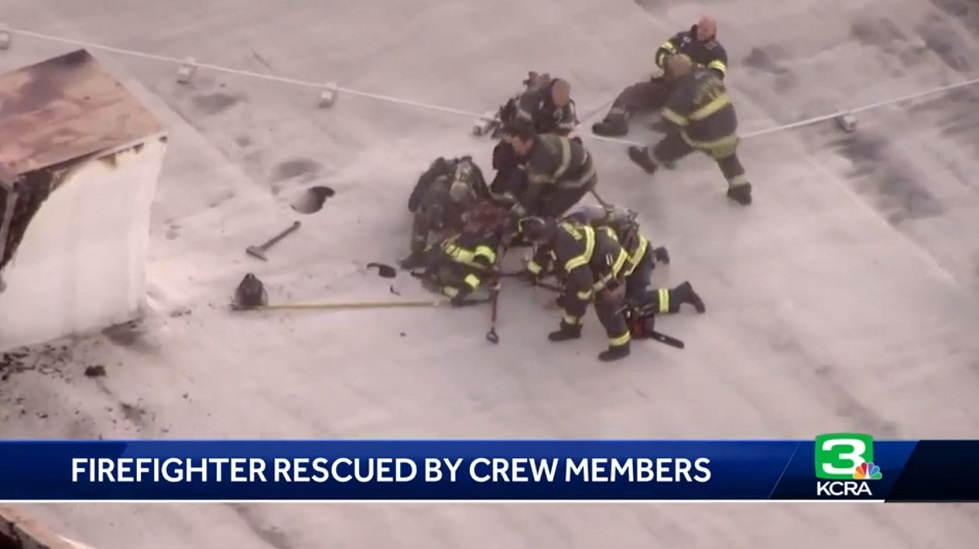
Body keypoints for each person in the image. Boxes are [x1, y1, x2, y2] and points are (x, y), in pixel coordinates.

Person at [626, 54, 753, 206]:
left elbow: (671, 123)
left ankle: (650, 159)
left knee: (677, 142)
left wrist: (656, 126)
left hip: (705, 134)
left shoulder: (684, 91)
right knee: (727, 156)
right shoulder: (709, 75)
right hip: (729, 126)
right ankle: (741, 189)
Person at [517, 216, 635, 362]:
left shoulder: (564, 247)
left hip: (607, 265)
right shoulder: (553, 232)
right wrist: (530, 273)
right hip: (590, 261)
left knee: (605, 308)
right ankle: (570, 330)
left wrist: (583, 296)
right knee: (572, 297)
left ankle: (621, 347)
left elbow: (585, 281)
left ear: (538, 238)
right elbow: (543, 253)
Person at [592, 16, 729, 137]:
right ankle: (616, 123)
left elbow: (717, 76)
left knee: (683, 118)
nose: (701, 32)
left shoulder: (717, 52)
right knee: (631, 93)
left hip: (690, 91)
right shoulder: (682, 37)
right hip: (667, 82)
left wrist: (690, 69)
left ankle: (667, 150)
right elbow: (661, 52)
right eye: (700, 27)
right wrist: (669, 62)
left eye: (705, 30)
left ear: (713, 31)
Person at [401, 156, 490, 269]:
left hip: (467, 198)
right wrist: (417, 253)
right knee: (413, 205)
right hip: (437, 186)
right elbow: (420, 220)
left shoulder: (475, 196)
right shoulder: (435, 195)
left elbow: (484, 205)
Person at [503, 120, 597, 226]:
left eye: (515, 144)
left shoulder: (541, 159)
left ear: (528, 142)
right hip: (569, 167)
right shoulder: (537, 142)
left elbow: (533, 192)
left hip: (579, 180)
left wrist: (515, 214)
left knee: (546, 214)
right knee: (536, 198)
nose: (513, 148)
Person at [415, 220, 504, 306]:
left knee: (447, 274)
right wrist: (427, 271)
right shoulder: (462, 236)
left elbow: (477, 273)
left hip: (460, 274)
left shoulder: (484, 245)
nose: (468, 224)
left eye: (472, 222)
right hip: (447, 267)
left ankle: (445, 289)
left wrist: (461, 293)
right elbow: (440, 250)